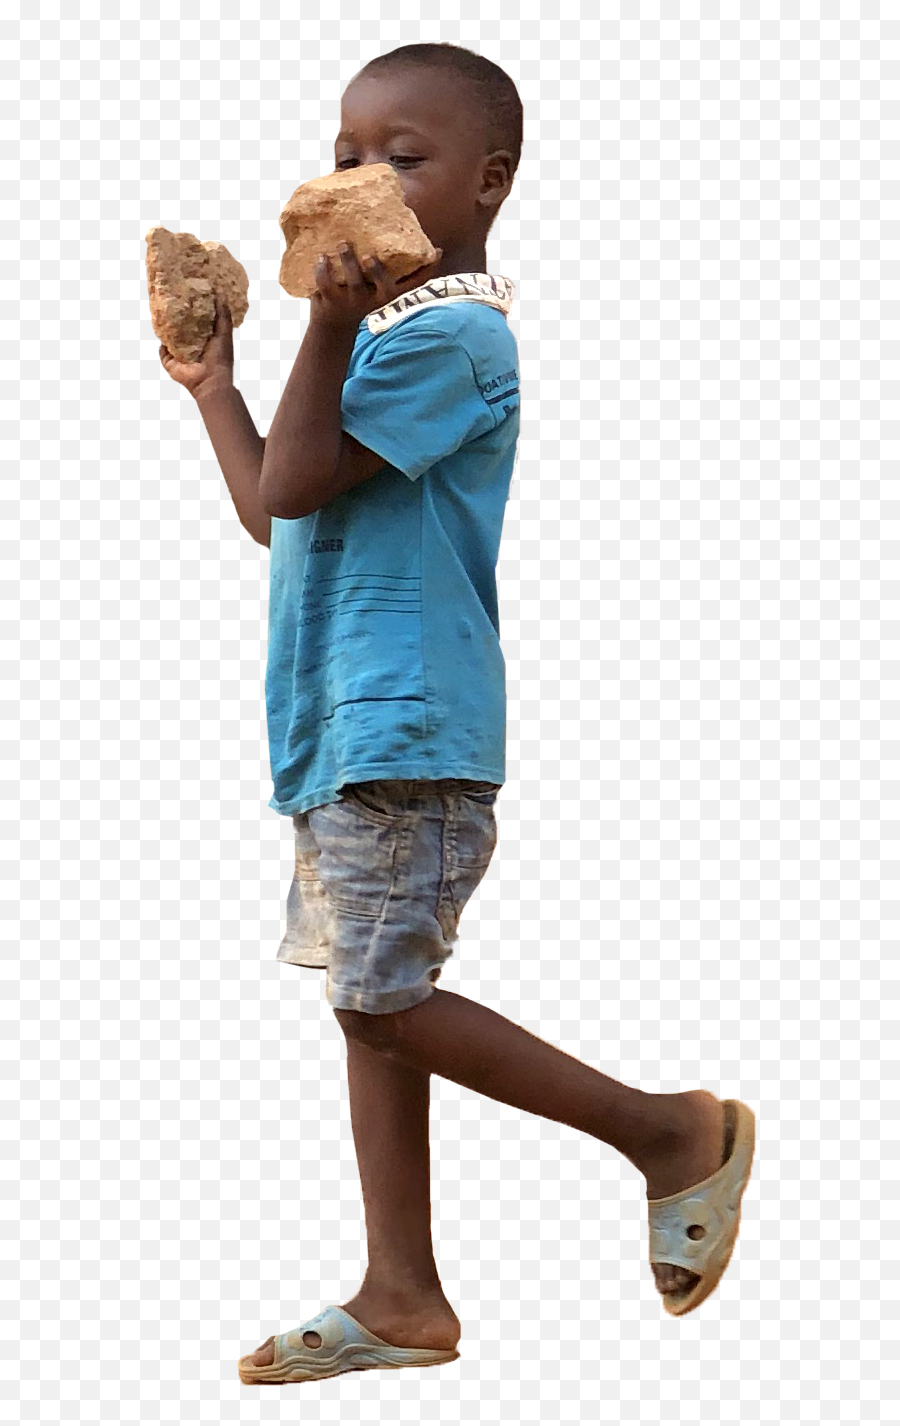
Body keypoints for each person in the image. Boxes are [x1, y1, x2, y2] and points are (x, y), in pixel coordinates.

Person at [159, 42, 755, 1386]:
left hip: (408, 727)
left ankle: (670, 1132)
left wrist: (315, 321)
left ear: (490, 185)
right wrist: (215, 390)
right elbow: (272, 505)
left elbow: (304, 480)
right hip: (339, 725)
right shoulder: (378, 344)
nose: (363, 176)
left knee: (382, 997)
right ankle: (403, 1290)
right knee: (371, 1004)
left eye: (404, 157)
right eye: (347, 151)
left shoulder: (456, 338)